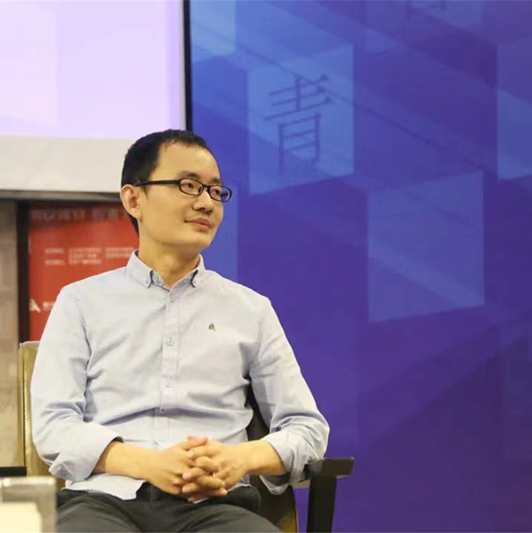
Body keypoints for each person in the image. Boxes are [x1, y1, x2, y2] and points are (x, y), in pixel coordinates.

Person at [31, 130, 329, 532]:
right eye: (188, 185)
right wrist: (149, 464)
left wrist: (238, 459)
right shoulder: (81, 302)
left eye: (215, 191)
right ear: (133, 199)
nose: (206, 202)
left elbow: (308, 429)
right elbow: (53, 426)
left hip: (215, 506)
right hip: (103, 503)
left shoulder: (251, 311)